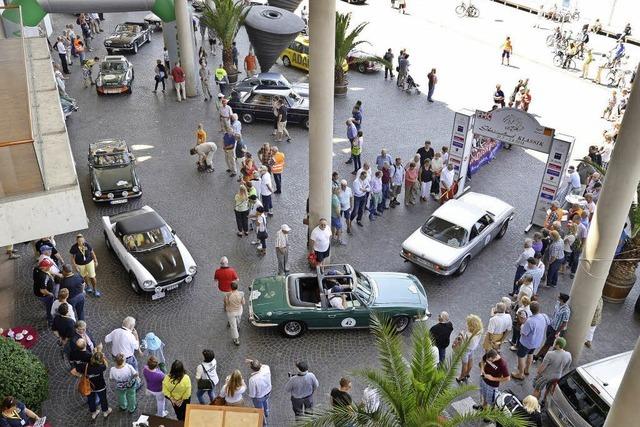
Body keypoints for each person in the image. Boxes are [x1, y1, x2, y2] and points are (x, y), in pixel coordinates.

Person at [511, 301, 549, 380]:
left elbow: (524, 333)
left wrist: (522, 325)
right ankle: (527, 370)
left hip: (526, 343)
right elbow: (548, 323)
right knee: (530, 354)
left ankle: (520, 374)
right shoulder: (544, 316)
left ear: (530, 310)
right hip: (537, 341)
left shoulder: (530, 321)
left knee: (521, 356)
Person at [532, 337, 572, 404]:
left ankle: (533, 403)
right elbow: (566, 368)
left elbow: (543, 367)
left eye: (555, 342)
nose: (554, 343)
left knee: (537, 389)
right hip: (557, 377)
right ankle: (543, 402)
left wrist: (538, 373)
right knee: (548, 390)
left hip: (546, 376)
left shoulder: (550, 354)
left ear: (558, 345)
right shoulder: (568, 355)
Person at [535, 293, 571, 361]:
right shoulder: (558, 303)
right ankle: (543, 355)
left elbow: (564, 323)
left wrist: (557, 332)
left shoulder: (566, 310)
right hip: (551, 325)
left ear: (562, 300)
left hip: (555, 329)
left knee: (547, 343)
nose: (558, 297)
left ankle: (536, 356)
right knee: (548, 343)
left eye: (559, 297)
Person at [455, 314, 483, 383]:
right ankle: (467, 373)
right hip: (472, 349)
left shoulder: (468, 334)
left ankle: (461, 377)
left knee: (464, 364)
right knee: (470, 361)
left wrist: (461, 335)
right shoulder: (480, 331)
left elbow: (462, 343)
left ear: (471, 326)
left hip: (465, 350)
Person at [246, 359, 271, 425]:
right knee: (266, 401)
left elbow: (252, 393)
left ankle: (264, 423)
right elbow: (262, 365)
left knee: (260, 410)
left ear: (252, 369)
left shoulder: (252, 379)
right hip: (268, 391)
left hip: (259, 396)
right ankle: (267, 412)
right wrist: (252, 361)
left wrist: (252, 397)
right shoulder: (266, 368)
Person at [33, 258, 56, 325]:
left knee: (47, 304)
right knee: (49, 307)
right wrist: (50, 294)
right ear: (43, 268)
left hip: (36, 290)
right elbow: (42, 290)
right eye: (49, 266)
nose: (50, 267)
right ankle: (50, 320)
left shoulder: (36, 268)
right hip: (44, 295)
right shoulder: (43, 276)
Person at [224, 282, 245, 346]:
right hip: (239, 311)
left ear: (231, 288)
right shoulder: (241, 294)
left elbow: (226, 304)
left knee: (233, 326)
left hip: (231, 312)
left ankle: (236, 339)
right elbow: (243, 303)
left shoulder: (228, 295)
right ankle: (238, 324)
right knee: (238, 320)